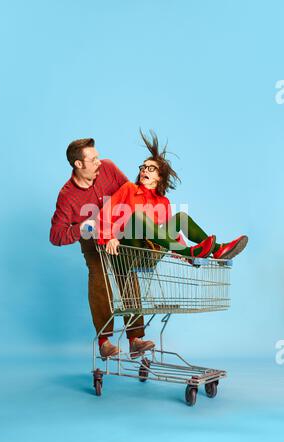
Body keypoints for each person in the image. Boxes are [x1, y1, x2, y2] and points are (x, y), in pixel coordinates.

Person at [50, 138, 155, 360]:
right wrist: (83, 227)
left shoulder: (108, 167)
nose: (99, 161)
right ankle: (104, 341)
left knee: (126, 274)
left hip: (118, 232)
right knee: (98, 276)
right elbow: (56, 236)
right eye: (93, 159)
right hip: (91, 238)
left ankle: (135, 340)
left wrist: (116, 229)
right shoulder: (67, 195)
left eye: (98, 156)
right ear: (79, 164)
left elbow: (131, 195)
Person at [97, 130, 248, 266]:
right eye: (142, 168)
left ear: (159, 176)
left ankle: (217, 250)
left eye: (150, 168)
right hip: (124, 252)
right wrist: (109, 237)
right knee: (138, 217)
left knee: (181, 217)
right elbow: (103, 215)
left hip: (149, 256)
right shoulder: (129, 188)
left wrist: (178, 251)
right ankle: (190, 252)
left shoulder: (163, 202)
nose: (144, 171)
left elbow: (169, 234)